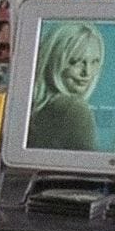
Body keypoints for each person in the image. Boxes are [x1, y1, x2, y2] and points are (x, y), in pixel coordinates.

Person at [28, 23, 104, 151]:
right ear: (53, 60)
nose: (87, 72)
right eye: (76, 62)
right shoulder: (74, 109)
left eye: (94, 62)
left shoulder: (34, 107)